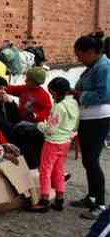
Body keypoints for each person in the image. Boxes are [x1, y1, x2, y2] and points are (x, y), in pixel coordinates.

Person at [70, 35, 110, 220]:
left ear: (92, 52)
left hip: (98, 118)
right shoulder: (93, 66)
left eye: (80, 55)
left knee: (92, 160)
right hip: (88, 117)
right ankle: (92, 197)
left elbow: (104, 94)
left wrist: (80, 95)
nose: (79, 59)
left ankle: (100, 204)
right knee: (87, 160)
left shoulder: (104, 67)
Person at [28, 78, 79, 213]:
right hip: (66, 141)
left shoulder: (59, 106)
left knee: (45, 171)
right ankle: (59, 199)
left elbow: (50, 129)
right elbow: (74, 125)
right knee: (59, 170)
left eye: (52, 93)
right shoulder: (74, 103)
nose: (51, 96)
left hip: (53, 142)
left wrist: (40, 125)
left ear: (57, 92)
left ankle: (44, 200)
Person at [6, 67, 52, 169]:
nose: (25, 80)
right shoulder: (25, 88)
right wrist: (1, 87)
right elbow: (12, 89)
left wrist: (36, 115)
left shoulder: (43, 95)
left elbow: (47, 111)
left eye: (28, 79)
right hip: (22, 122)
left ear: (35, 82)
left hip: (34, 125)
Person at [0, 76, 21, 142]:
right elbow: (2, 125)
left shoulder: (3, 103)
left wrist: (11, 103)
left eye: (5, 89)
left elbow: (17, 120)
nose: (3, 92)